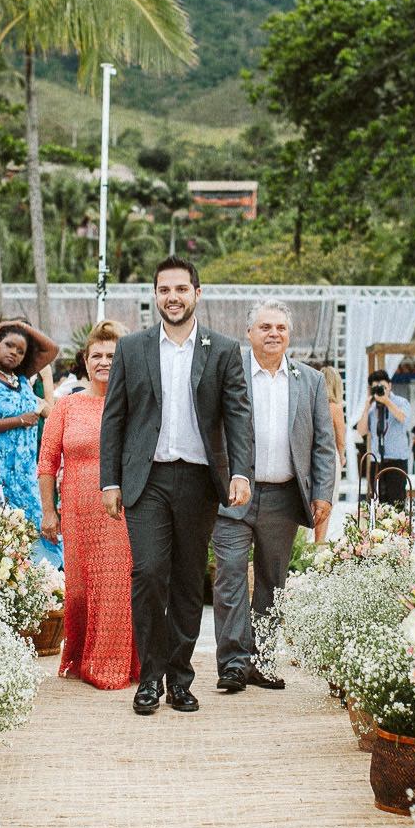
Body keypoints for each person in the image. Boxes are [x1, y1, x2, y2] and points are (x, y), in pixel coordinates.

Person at [99, 256, 253, 716]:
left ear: (197, 294)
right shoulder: (132, 348)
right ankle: (149, 678)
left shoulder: (222, 350)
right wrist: (110, 480)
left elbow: (238, 416)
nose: (173, 297)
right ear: (155, 295)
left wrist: (240, 472)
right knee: (148, 574)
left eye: (181, 289)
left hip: (199, 480)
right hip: (147, 480)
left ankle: (180, 679)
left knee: (188, 582)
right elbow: (115, 419)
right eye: (164, 289)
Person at [210, 301, 336, 693]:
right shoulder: (229, 375)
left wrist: (323, 494)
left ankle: (262, 661)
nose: (273, 333)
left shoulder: (310, 381)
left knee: (272, 583)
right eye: (264, 326)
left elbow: (323, 444)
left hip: (283, 496)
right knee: (230, 577)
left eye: (280, 327)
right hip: (233, 496)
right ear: (249, 333)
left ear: (289, 334)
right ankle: (233, 663)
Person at [38, 320, 140, 690]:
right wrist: (49, 511)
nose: (104, 361)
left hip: (120, 510)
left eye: (112, 355)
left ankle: (110, 666)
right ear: (85, 360)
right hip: (77, 512)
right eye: (96, 355)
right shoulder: (67, 406)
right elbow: (47, 463)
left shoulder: (135, 404)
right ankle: (82, 657)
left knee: (114, 585)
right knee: (80, 588)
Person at [0, 321, 59, 526]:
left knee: (34, 534)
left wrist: (16, 324)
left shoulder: (21, 378)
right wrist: (18, 421)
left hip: (23, 476)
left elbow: (52, 349)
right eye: (9, 345)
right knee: (0, 541)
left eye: (21, 351)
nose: (14, 352)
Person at [361, 369, 411, 505]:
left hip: (397, 460)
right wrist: (366, 408)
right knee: (377, 503)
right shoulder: (372, 409)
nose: (380, 390)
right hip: (376, 461)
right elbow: (362, 431)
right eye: (376, 387)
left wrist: (387, 401)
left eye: (383, 387)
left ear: (390, 386)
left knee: (397, 503)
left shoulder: (401, 402)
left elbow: (403, 418)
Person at [317, 365, 346, 543]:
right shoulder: (335, 407)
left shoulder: (311, 403)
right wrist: (342, 456)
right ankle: (319, 542)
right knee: (327, 500)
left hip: (311, 457)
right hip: (329, 457)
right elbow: (341, 439)